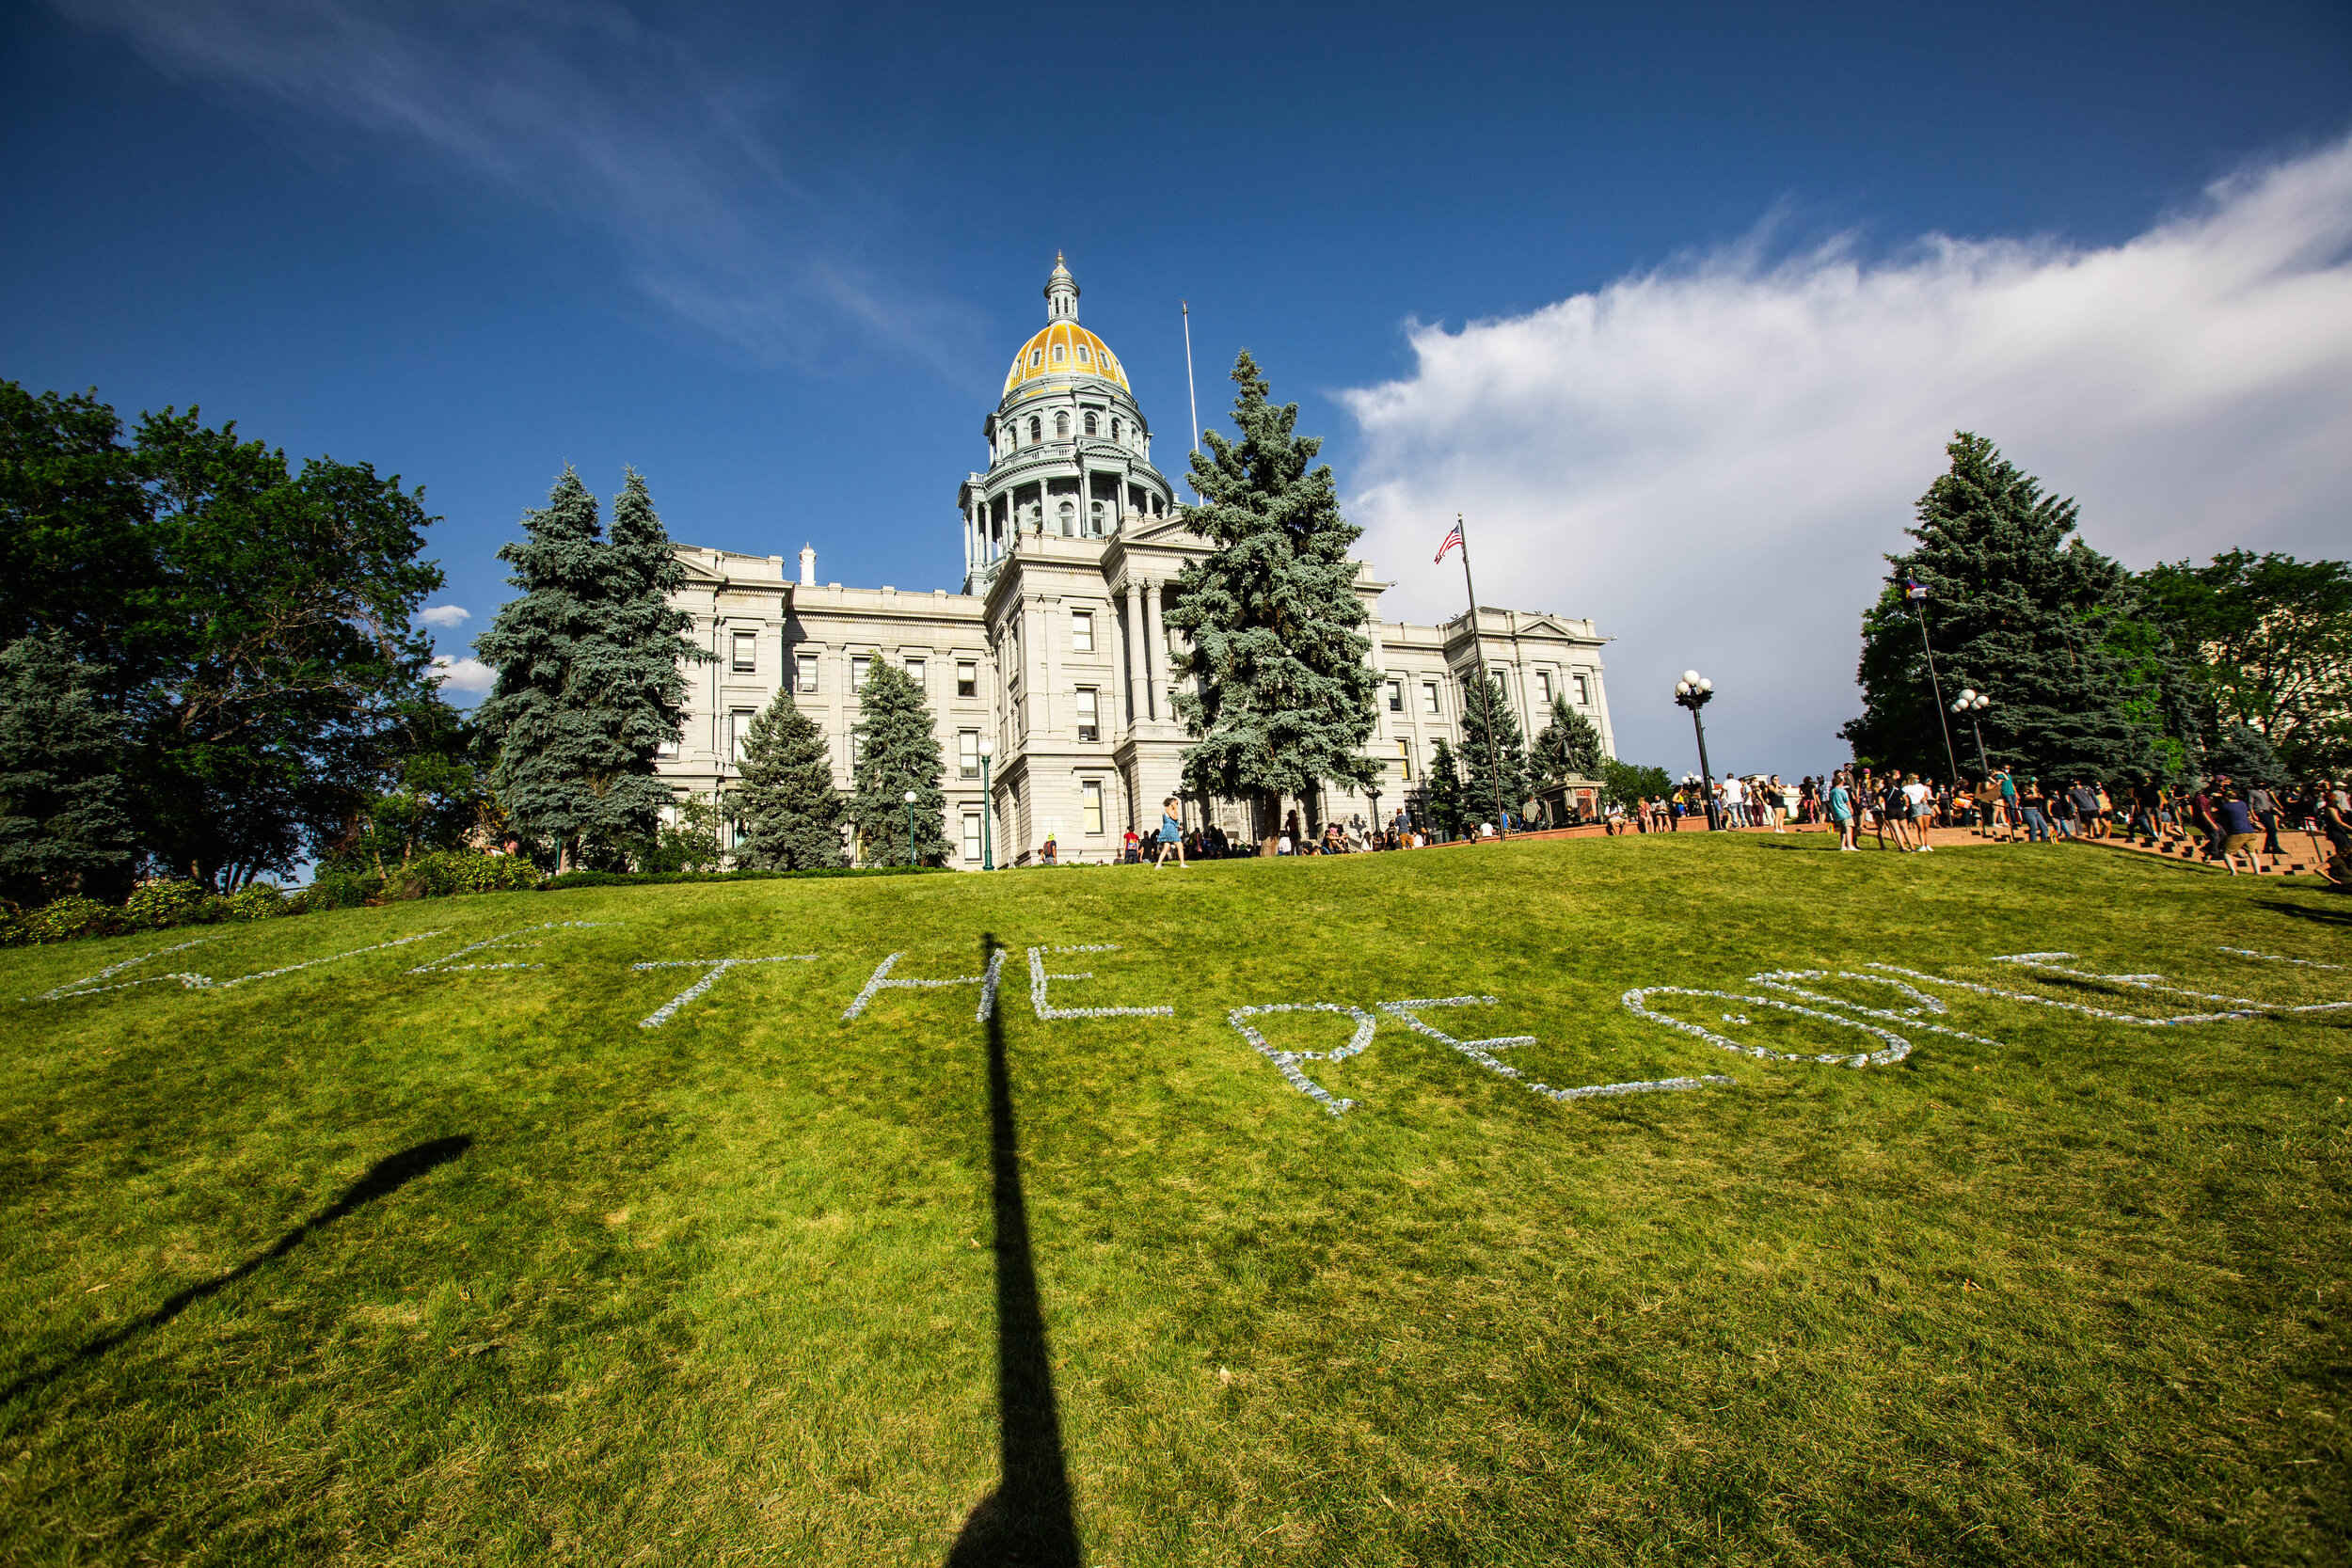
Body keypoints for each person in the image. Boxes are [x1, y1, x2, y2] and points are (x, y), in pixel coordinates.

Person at [2212, 786, 2261, 875]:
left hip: (2236, 833)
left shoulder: (2226, 807)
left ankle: (2233, 872)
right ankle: (2257, 872)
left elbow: (2215, 816)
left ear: (2226, 797)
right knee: (2252, 853)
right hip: (2250, 831)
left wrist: (2213, 807)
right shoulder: (2242, 804)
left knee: (2226, 853)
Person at [1152, 796, 1186, 868]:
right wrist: (1176, 809)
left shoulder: (1166, 810)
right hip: (1171, 830)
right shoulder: (1169, 809)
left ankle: (1158, 865)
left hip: (1167, 828)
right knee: (1179, 845)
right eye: (1176, 804)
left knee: (1166, 848)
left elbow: (1170, 820)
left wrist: (1177, 826)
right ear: (1172, 803)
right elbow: (1175, 817)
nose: (1177, 805)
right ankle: (1182, 864)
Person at [1828, 770, 1857, 851]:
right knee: (1848, 829)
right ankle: (1849, 845)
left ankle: (1842, 846)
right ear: (1840, 783)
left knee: (1843, 830)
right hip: (1844, 812)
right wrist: (1851, 809)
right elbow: (1847, 802)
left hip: (1836, 813)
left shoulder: (1831, 792)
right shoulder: (1842, 791)